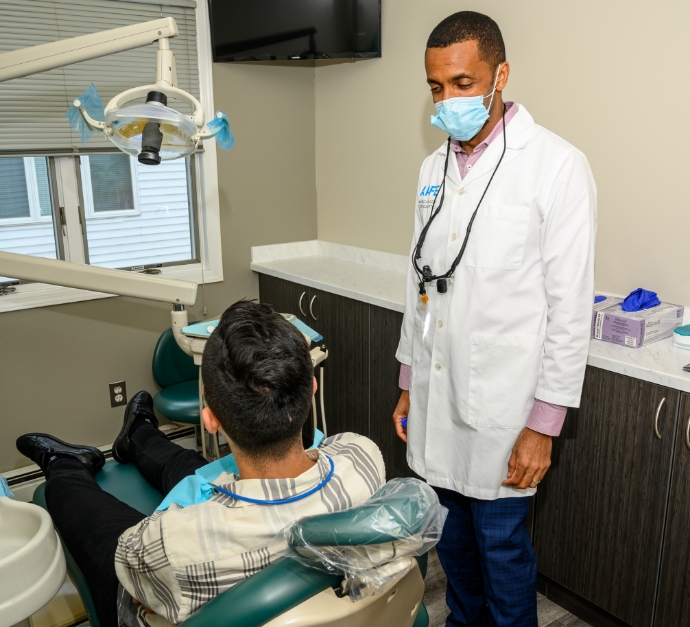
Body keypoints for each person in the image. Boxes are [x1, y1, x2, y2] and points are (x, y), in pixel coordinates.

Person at [392, 11, 596, 627]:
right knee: (452, 551)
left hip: (506, 411)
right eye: (436, 87)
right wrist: (407, 384)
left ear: (500, 74)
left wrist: (545, 423)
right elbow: (419, 283)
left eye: (461, 82)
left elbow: (570, 306)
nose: (447, 99)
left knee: (502, 555)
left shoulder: (556, 165)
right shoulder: (433, 169)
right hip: (437, 396)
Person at [17, 300, 385, 627]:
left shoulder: (171, 542)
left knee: (84, 509)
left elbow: (134, 572)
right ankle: (138, 434)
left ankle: (65, 464)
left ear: (209, 419)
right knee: (196, 470)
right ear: (312, 390)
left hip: (150, 584)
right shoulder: (363, 456)